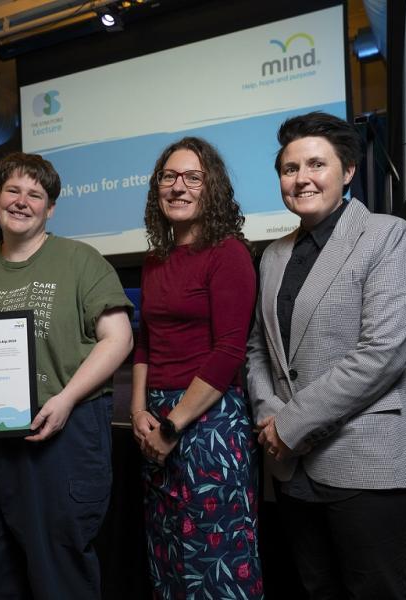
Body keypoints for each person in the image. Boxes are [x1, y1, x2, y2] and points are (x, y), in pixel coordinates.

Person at [0, 152, 133, 600]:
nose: (22, 201)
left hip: (57, 436)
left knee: (59, 575)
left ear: (50, 208)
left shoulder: (81, 261)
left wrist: (66, 400)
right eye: (13, 191)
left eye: (35, 194)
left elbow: (118, 339)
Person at [245, 111, 406, 599]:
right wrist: (270, 417)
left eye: (316, 165)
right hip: (291, 467)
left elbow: (382, 353)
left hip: (368, 461)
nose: (301, 178)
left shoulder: (387, 235)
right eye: (290, 169)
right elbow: (259, 348)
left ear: (347, 171)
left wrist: (290, 425)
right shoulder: (273, 254)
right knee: (314, 588)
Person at [131, 137, 263, 599]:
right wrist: (138, 413)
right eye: (169, 177)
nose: (178, 187)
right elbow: (144, 341)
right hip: (158, 421)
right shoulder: (154, 260)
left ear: (212, 188)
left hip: (209, 420)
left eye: (192, 177)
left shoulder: (228, 254)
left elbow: (229, 351)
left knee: (215, 557)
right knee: (167, 551)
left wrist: (171, 427)